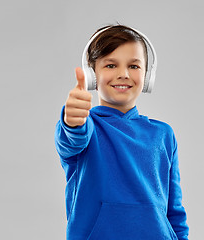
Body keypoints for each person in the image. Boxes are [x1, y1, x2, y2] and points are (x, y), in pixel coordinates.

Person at [54, 24, 189, 240]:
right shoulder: (87, 127)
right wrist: (72, 119)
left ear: (147, 77)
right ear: (92, 74)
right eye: (110, 65)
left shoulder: (164, 134)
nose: (123, 74)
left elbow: (175, 212)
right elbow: (72, 138)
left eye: (134, 66)